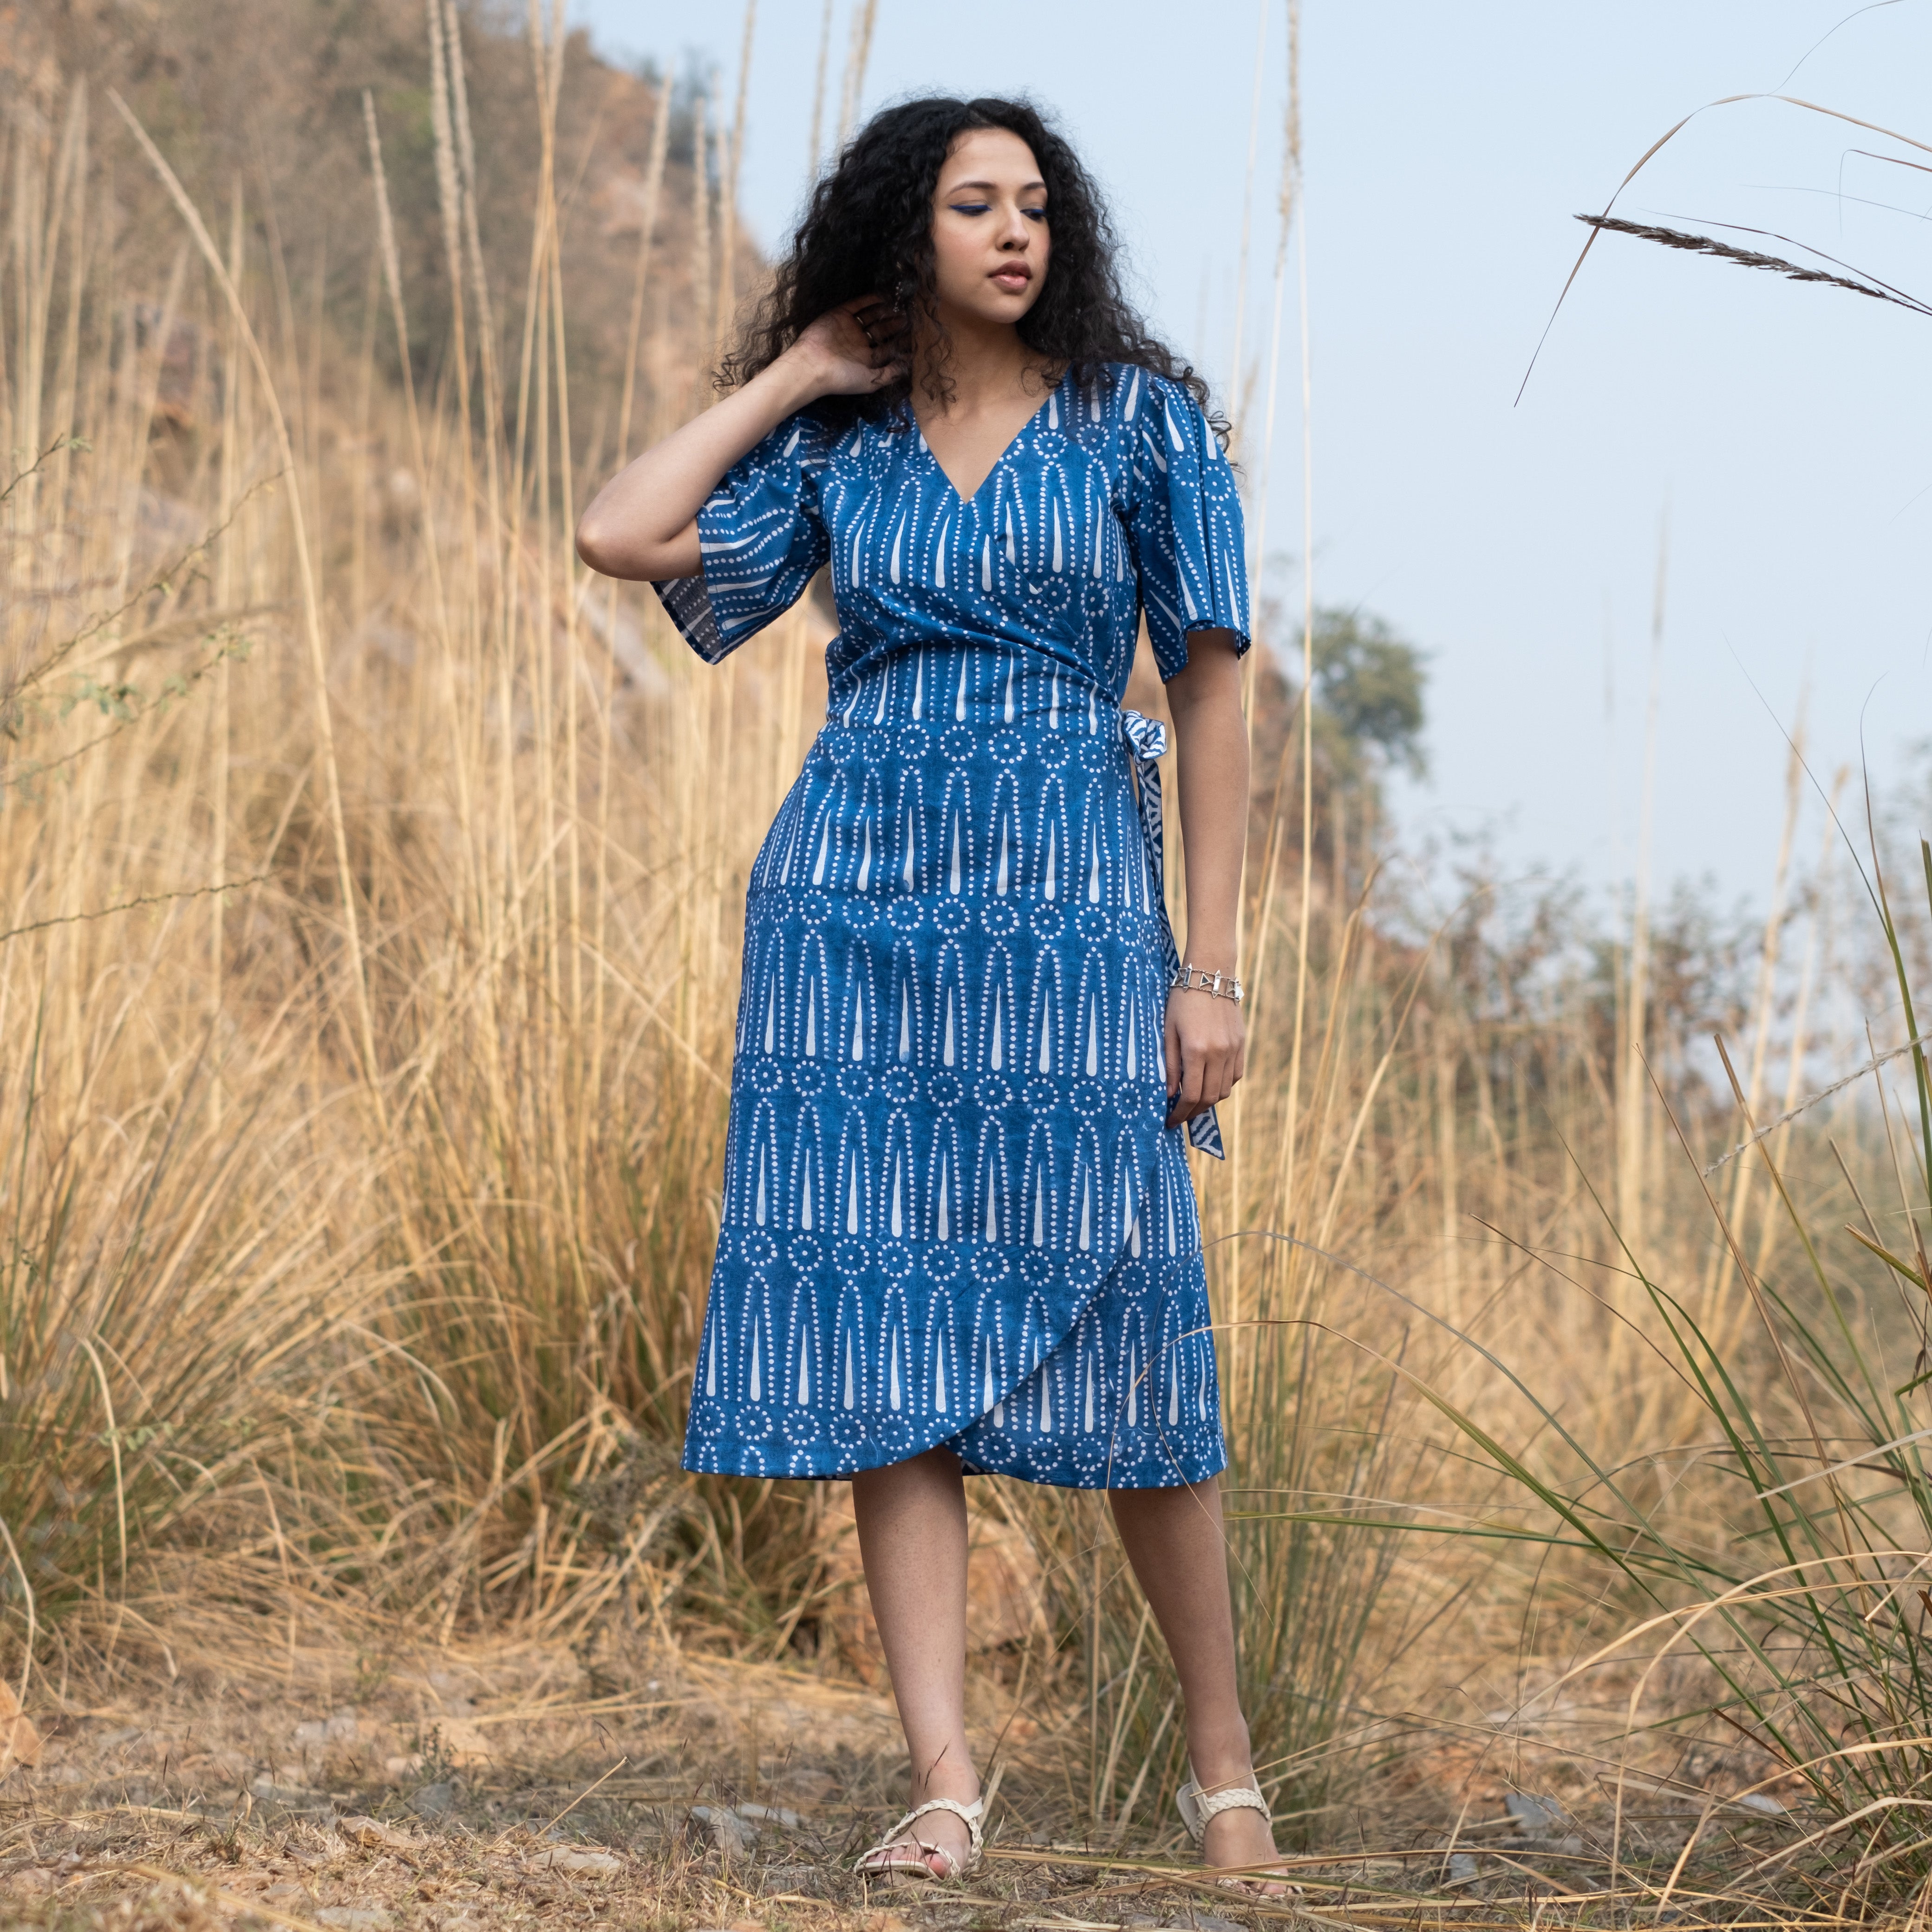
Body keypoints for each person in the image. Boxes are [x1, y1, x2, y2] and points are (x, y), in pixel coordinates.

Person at [577, 94, 1286, 1893]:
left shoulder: (1141, 425)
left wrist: (1208, 968)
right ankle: (946, 1779)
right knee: (886, 1329)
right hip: (853, 912)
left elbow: (1209, 692)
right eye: (971, 203)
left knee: (1141, 1327)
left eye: (1033, 203)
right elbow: (620, 532)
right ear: (907, 231)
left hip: (1066, 913)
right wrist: (800, 364)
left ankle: (1225, 1780)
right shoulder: (842, 446)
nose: (1012, 231)